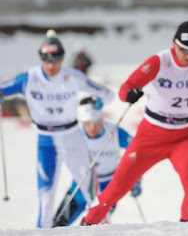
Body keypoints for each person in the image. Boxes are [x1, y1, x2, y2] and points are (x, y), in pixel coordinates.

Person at [81, 21, 188, 225]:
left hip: (183, 137)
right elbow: (126, 87)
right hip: (150, 136)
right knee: (116, 188)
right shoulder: (159, 62)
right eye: (184, 49)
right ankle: (87, 225)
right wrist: (130, 93)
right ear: (174, 44)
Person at [0, 30, 115, 228]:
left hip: (72, 138)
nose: (51, 65)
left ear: (62, 58)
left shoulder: (73, 76)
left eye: (56, 60)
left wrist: (97, 104)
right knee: (46, 201)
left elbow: (108, 95)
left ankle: (109, 230)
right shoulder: (29, 78)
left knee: (92, 194)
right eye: (47, 60)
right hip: (46, 142)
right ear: (40, 58)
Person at [53, 97, 139, 226]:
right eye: (88, 123)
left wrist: (135, 180)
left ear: (102, 119)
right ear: (82, 121)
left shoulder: (115, 132)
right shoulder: (73, 133)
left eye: (96, 122)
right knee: (55, 226)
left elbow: (137, 152)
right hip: (80, 188)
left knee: (96, 227)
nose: (93, 127)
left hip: (109, 189)